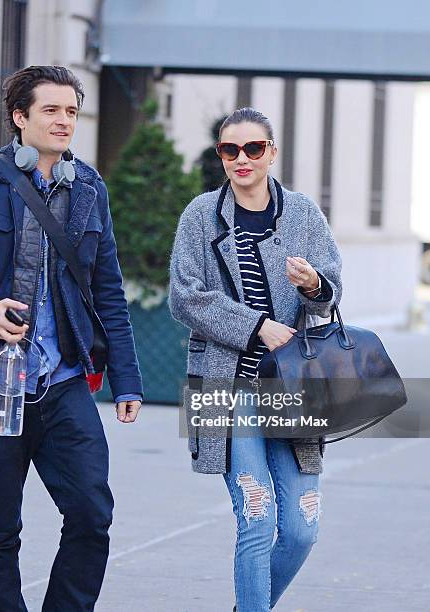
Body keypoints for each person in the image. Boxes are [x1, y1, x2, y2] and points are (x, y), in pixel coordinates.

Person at [0, 65, 143, 612]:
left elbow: (107, 290)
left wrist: (127, 379)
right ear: (20, 117)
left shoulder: (89, 189)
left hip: (62, 383)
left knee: (91, 512)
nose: (64, 122)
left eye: (71, 112)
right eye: (51, 111)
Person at [168, 107, 342, 611]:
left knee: (303, 529)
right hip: (225, 385)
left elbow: (328, 290)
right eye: (230, 150)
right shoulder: (201, 215)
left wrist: (313, 285)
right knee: (257, 512)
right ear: (221, 155)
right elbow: (184, 296)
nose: (242, 159)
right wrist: (255, 327)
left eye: (253, 148)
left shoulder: (303, 213)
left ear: (272, 151)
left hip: (292, 387)